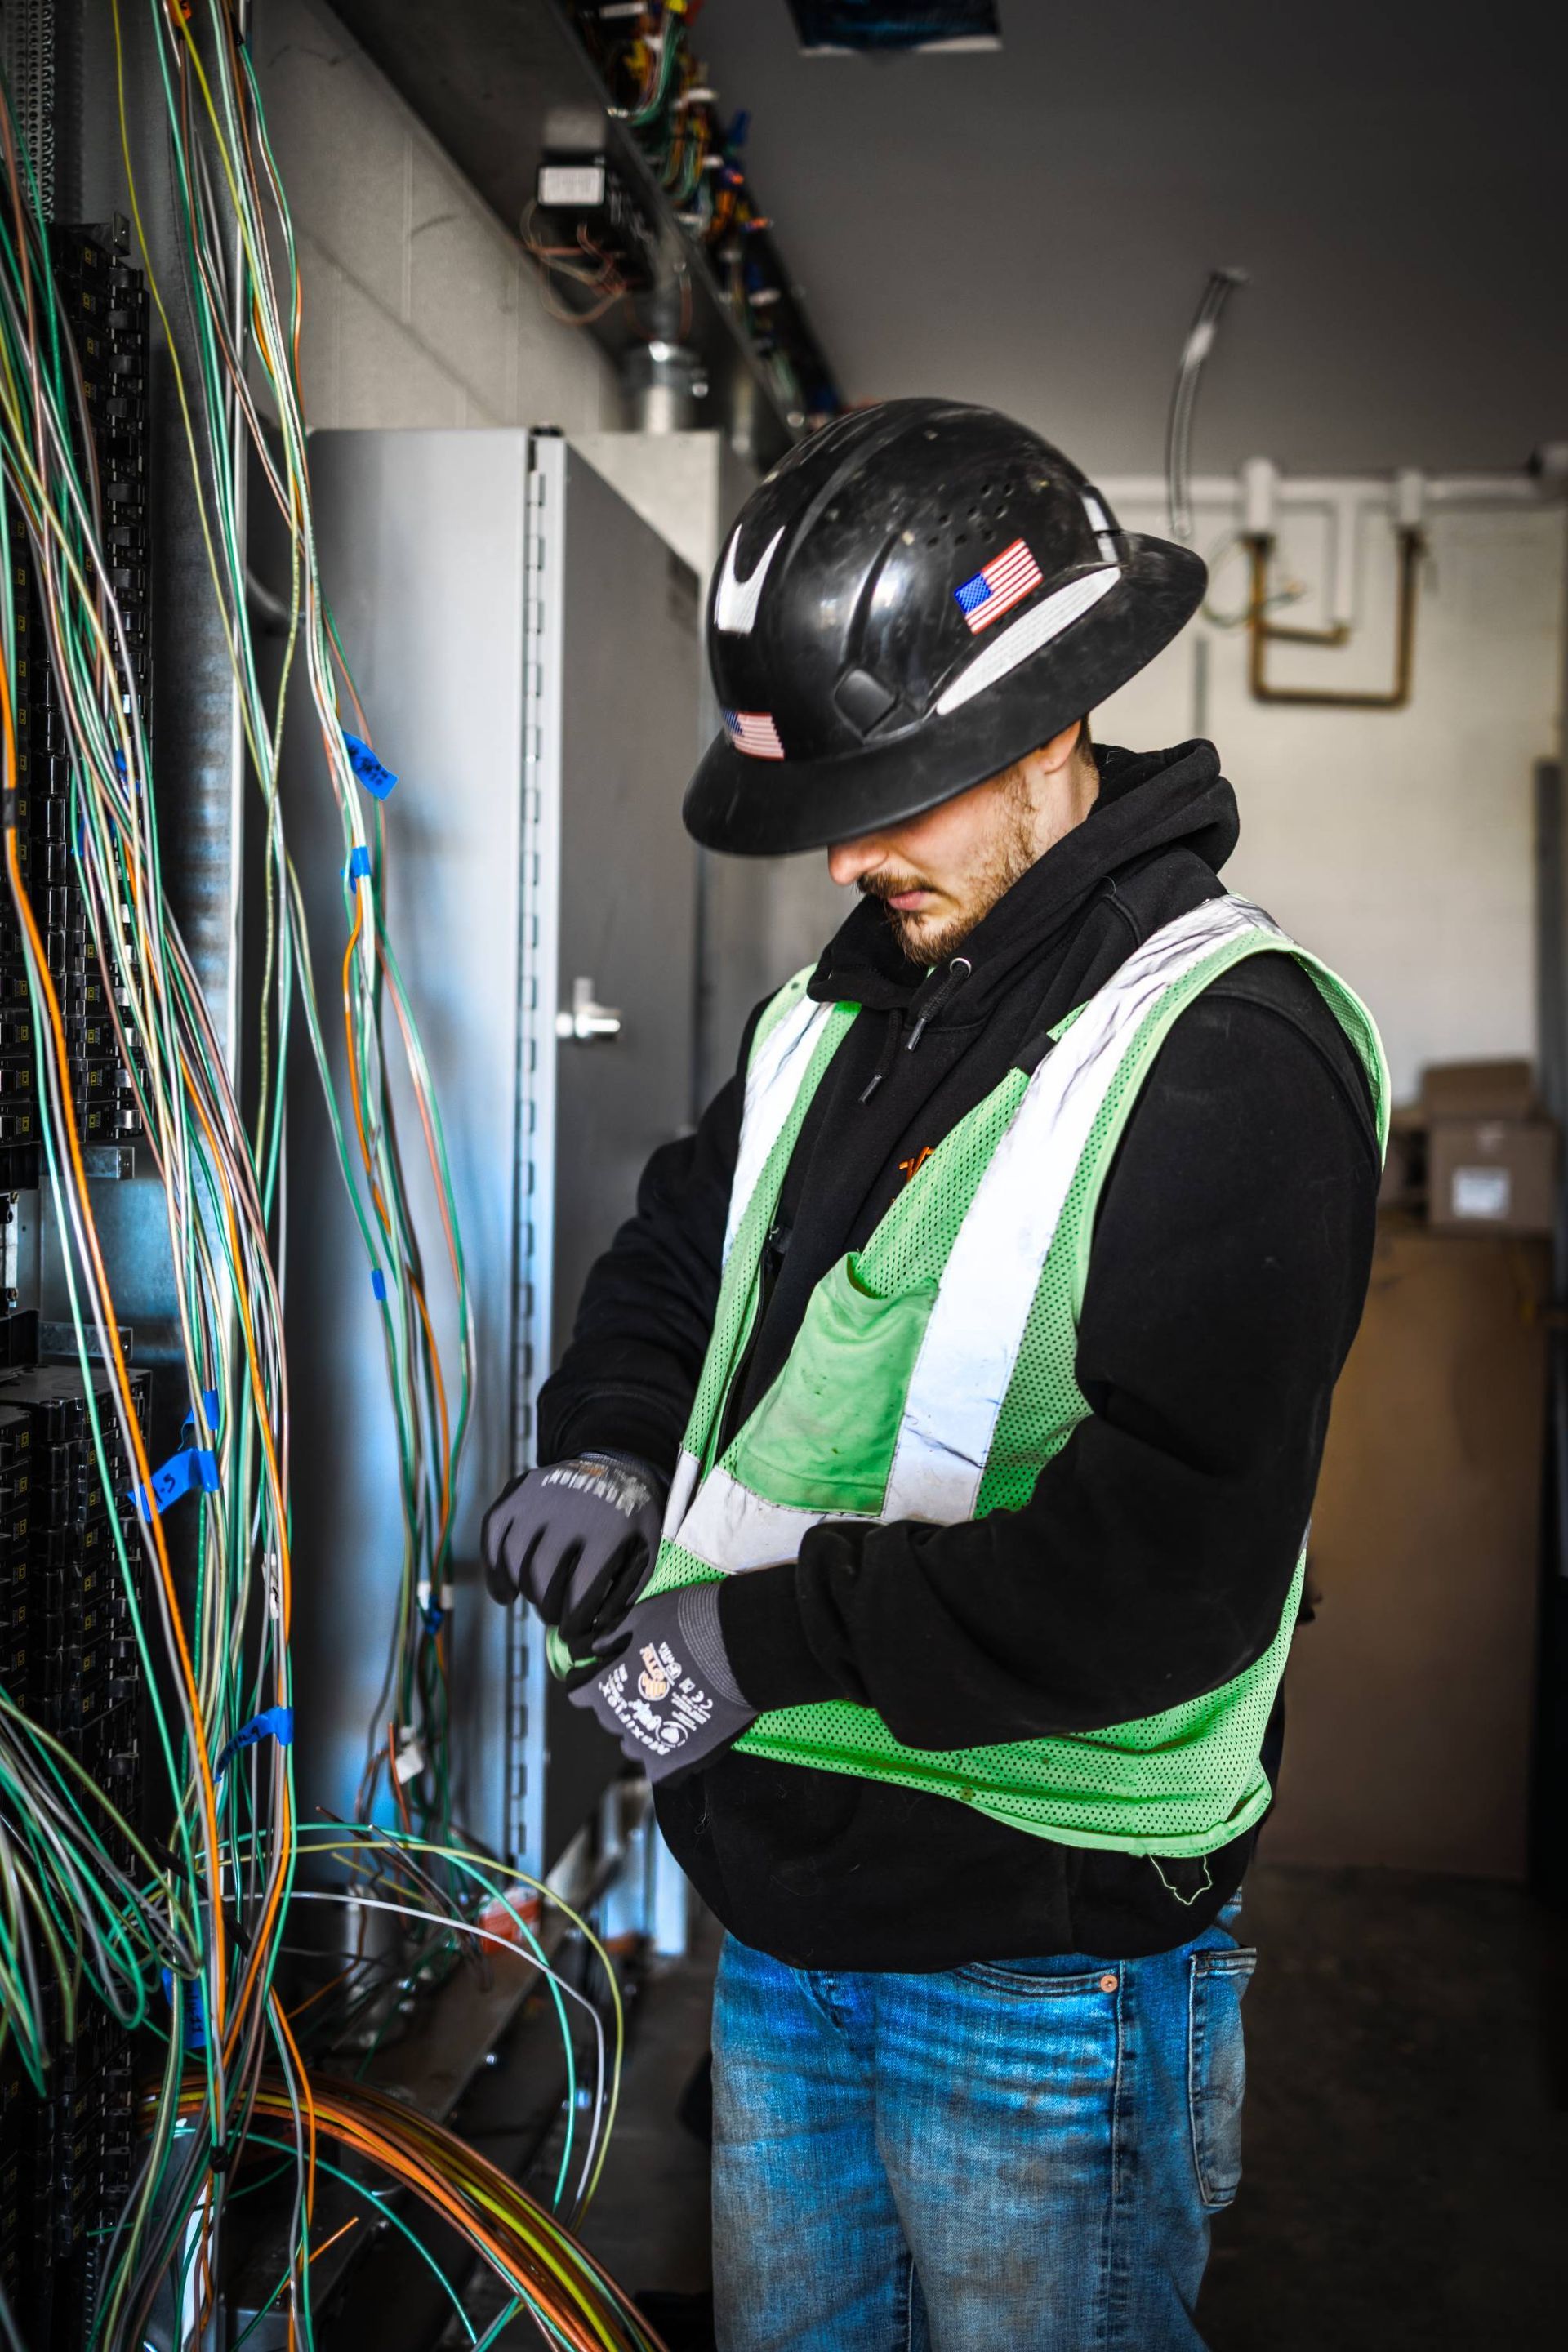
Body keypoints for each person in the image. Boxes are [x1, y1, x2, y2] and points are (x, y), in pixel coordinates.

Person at [483, 399, 1385, 2352]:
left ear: (1056, 723)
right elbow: (672, 1256)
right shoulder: (849, 1005)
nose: (855, 857)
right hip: (788, 1917)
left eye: (903, 792)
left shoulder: (1231, 1054)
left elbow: (1173, 1564)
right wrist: (614, 1455)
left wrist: (763, 1641)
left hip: (1042, 1972)